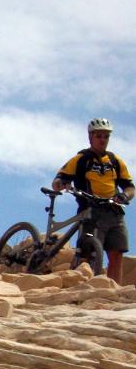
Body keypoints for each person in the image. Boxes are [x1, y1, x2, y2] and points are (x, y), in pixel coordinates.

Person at [52, 118, 135, 284]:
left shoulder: (115, 161)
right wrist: (62, 184)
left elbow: (130, 186)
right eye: (99, 136)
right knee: (89, 254)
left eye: (106, 136)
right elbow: (58, 180)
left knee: (117, 253)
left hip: (114, 211)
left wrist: (125, 196)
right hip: (90, 211)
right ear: (91, 137)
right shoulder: (81, 159)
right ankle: (85, 288)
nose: (102, 139)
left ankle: (114, 291)